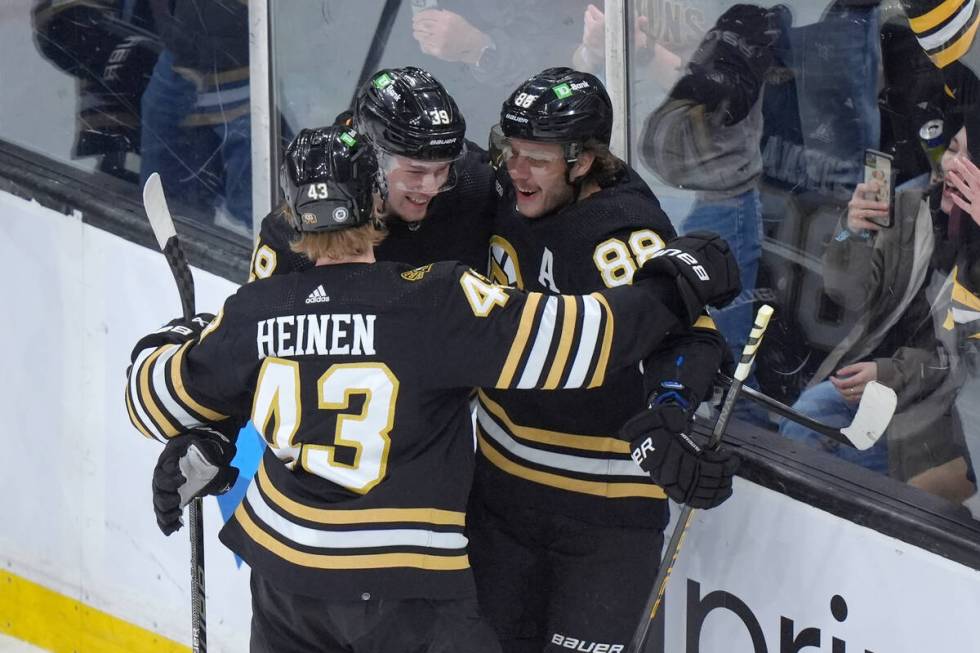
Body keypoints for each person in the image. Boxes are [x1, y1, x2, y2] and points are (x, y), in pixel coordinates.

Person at [125, 125, 741, 652]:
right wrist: (674, 282)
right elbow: (583, 341)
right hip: (406, 591)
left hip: (285, 586)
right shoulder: (437, 300)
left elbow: (151, 398)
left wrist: (182, 335)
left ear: (293, 212)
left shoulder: (254, 310)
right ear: (373, 201)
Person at [470, 67, 739, 652]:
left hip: (601, 521)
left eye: (535, 159)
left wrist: (669, 408)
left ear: (583, 161)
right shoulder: (505, 186)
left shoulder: (618, 234)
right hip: (498, 499)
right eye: (510, 150)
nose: (516, 169)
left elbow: (690, 335)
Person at [779, 125, 971, 479]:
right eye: (952, 149)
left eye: (970, 159)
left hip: (931, 416)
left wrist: (888, 374)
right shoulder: (915, 210)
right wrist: (849, 232)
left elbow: (962, 362)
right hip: (872, 380)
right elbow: (848, 293)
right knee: (805, 419)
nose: (952, 164)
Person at [249, 66, 495, 281]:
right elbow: (254, 320)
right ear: (372, 160)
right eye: (415, 171)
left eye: (442, 170)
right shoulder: (306, 224)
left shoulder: (475, 180)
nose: (431, 187)